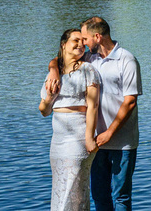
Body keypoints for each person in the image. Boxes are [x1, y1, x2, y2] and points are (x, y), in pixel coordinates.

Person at [46, 16, 143, 211]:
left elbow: (130, 101)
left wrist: (109, 133)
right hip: (96, 144)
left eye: (85, 38)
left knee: (121, 198)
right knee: (99, 196)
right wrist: (53, 70)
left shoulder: (127, 60)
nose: (82, 43)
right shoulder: (90, 58)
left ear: (97, 36)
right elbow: (61, 57)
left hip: (121, 143)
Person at [40, 28, 100, 211]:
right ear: (63, 44)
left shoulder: (88, 70)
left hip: (78, 138)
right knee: (59, 189)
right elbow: (43, 110)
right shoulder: (54, 72)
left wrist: (89, 137)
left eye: (83, 41)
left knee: (74, 191)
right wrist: (50, 98)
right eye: (76, 40)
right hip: (57, 141)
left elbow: (93, 106)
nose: (81, 44)